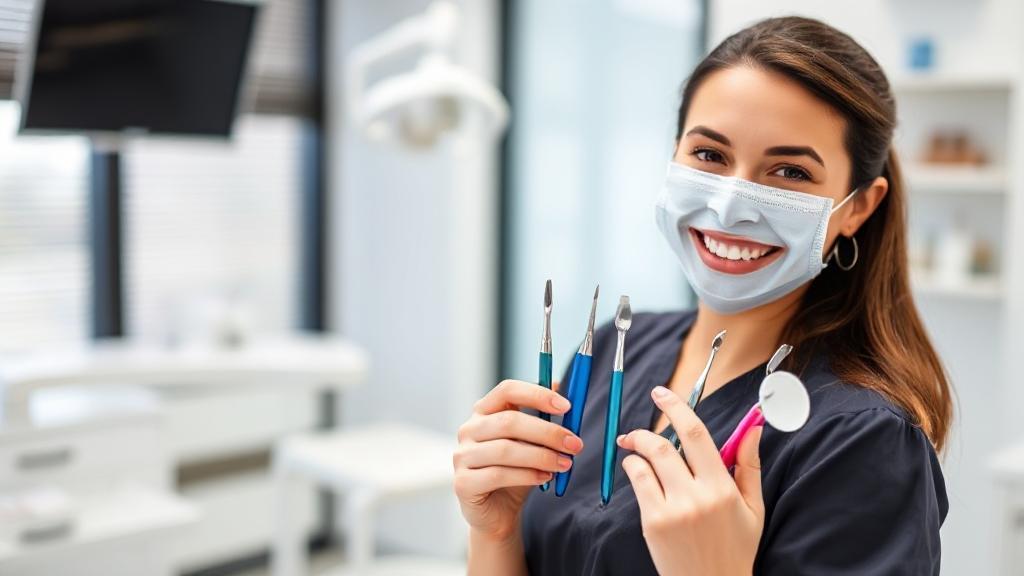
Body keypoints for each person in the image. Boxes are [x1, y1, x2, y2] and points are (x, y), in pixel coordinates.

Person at [453, 16, 951, 575]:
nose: (730, 206)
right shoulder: (615, 346)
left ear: (857, 206)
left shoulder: (863, 440)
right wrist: (494, 533)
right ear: (674, 156)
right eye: (710, 156)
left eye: (789, 171)